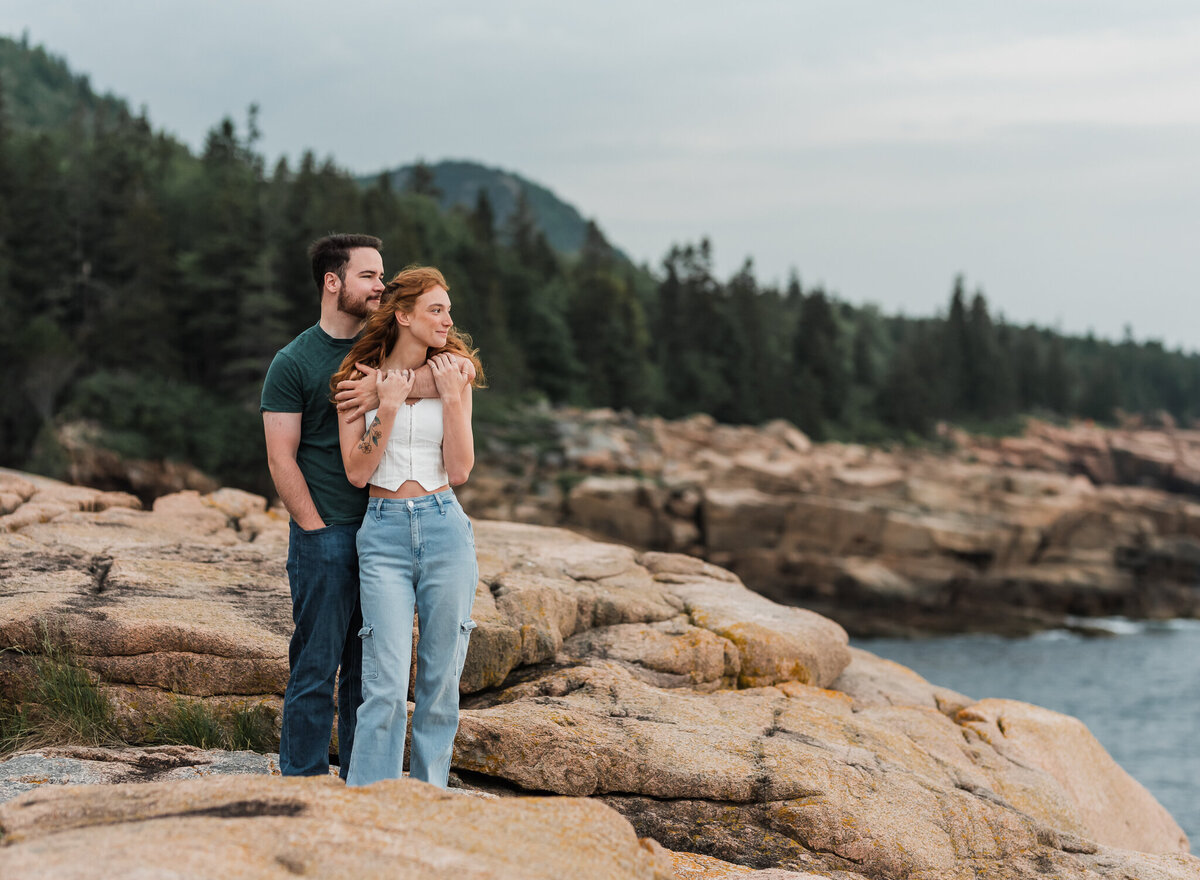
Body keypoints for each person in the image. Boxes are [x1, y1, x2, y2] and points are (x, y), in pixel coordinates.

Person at [261, 235, 472, 778]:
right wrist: (314, 529)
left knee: (373, 671)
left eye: (383, 278)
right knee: (320, 665)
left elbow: (447, 382)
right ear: (333, 283)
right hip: (337, 532)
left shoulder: (394, 360)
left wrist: (387, 390)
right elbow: (282, 458)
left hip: (412, 526)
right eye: (367, 276)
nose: (379, 285)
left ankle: (373, 786)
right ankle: (303, 783)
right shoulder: (300, 362)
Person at [330, 265, 484, 788]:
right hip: (384, 534)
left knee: (441, 683)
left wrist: (454, 397)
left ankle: (429, 800)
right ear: (403, 316)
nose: (446, 320)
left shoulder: (453, 373)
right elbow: (356, 471)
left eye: (448, 310)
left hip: (445, 528)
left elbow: (460, 469)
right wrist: (388, 406)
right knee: (387, 684)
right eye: (435, 310)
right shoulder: (356, 382)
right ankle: (371, 802)